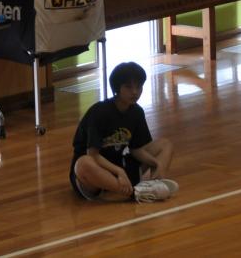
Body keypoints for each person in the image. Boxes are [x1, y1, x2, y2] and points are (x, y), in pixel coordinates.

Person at [70, 62, 178, 202]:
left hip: (119, 164)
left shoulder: (137, 112)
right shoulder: (99, 112)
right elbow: (93, 155)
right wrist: (119, 171)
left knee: (165, 145)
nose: (135, 92)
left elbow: (136, 150)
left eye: (138, 87)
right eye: (128, 87)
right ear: (117, 88)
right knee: (83, 163)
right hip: (94, 173)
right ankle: (135, 194)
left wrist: (156, 163)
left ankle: (151, 186)